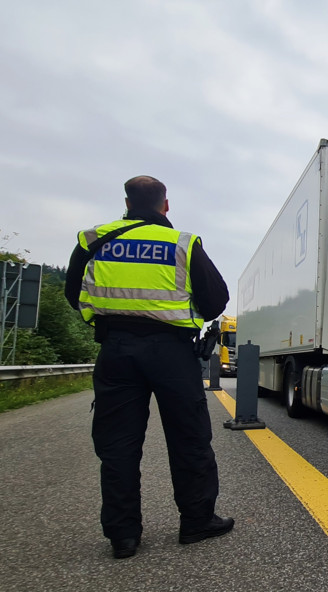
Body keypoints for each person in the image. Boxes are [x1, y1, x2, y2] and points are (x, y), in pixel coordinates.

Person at [65, 175, 234, 558]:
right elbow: (216, 301)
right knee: (189, 438)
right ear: (166, 205)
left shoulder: (93, 240)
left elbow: (73, 293)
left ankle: (123, 536)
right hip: (171, 352)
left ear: (126, 202)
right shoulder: (182, 244)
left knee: (118, 444)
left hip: (116, 348)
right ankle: (196, 522)